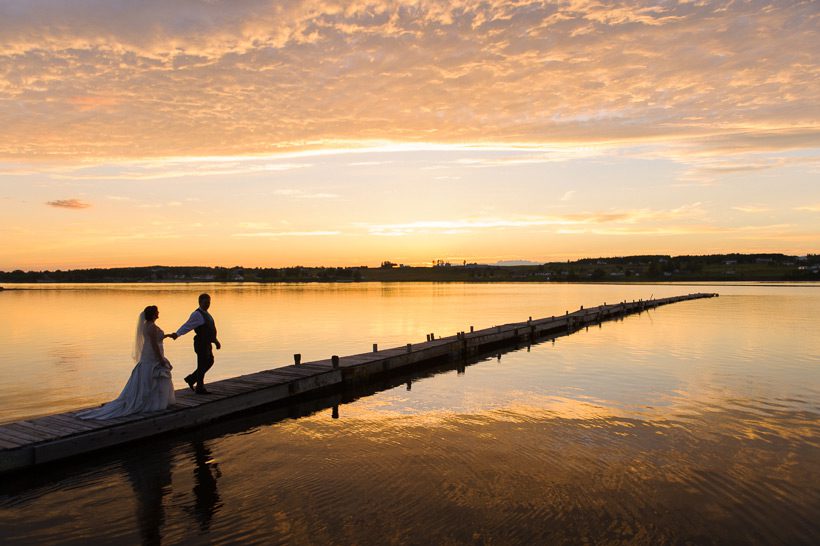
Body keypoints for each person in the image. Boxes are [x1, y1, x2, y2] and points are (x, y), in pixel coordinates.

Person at [78, 305, 175, 419]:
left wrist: (167, 335)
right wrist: (161, 359)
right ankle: (152, 403)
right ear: (153, 314)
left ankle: (152, 400)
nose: (159, 312)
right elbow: (154, 344)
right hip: (153, 355)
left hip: (147, 354)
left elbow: (155, 338)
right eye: (157, 311)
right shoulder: (152, 327)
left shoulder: (146, 325)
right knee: (155, 375)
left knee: (147, 377)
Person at [171, 293, 221, 394]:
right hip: (201, 343)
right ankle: (200, 387)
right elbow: (187, 326)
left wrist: (215, 341)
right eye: (206, 302)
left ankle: (191, 379)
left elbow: (210, 329)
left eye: (209, 302)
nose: (208, 304)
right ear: (200, 302)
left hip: (207, 343)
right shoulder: (197, 314)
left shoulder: (207, 314)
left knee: (209, 361)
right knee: (203, 364)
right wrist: (177, 334)